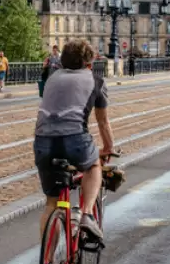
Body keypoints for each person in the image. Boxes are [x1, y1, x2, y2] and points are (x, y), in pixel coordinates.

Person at [34, 40, 114, 241]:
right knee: (93, 165)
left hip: (43, 141)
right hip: (75, 139)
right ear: (90, 62)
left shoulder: (52, 78)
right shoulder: (96, 81)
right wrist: (107, 148)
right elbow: (103, 122)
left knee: (51, 203)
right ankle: (86, 214)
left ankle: (48, 262)